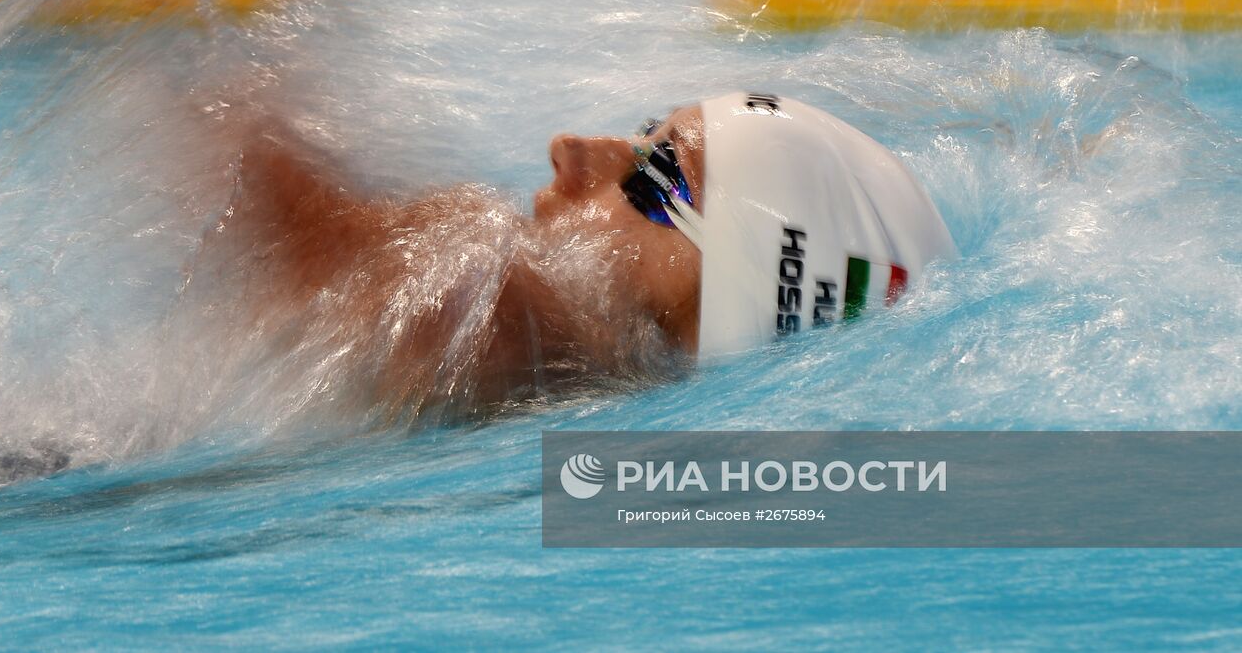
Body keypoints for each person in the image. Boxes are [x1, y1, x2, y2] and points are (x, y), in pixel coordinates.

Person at [213, 90, 956, 421]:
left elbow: (238, 156)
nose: (572, 150)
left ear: (743, 292)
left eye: (656, 176)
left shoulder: (481, 297)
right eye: (640, 133)